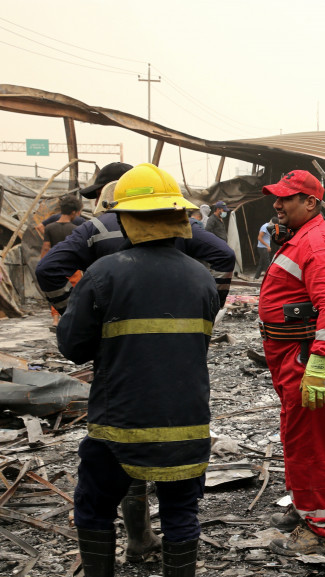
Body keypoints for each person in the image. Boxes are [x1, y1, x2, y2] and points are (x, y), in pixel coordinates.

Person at [57, 163, 218, 577]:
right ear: (178, 216)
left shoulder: (103, 273)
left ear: (125, 218)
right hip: (187, 424)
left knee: (93, 507)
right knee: (181, 512)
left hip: (119, 425)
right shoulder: (203, 278)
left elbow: (73, 347)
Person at [258, 170, 325, 555]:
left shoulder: (315, 243)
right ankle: (306, 506)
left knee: (309, 442)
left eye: (286, 199)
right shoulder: (301, 238)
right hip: (292, 355)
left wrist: (320, 362)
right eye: (276, 198)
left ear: (311, 202)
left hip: (306, 358)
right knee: (298, 437)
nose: (277, 205)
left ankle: (319, 526)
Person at [36, 163, 235, 317]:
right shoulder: (182, 225)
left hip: (117, 346)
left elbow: (47, 269)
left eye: (99, 195)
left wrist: (77, 314)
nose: (98, 203)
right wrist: (208, 312)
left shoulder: (94, 229)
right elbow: (224, 255)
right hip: (178, 336)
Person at [41, 194, 84, 327]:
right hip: (73, 267)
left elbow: (46, 247)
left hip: (55, 266)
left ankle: (55, 320)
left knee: (56, 293)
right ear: (73, 212)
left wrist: (43, 262)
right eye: (77, 212)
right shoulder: (75, 229)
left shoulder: (49, 228)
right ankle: (76, 317)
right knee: (76, 293)